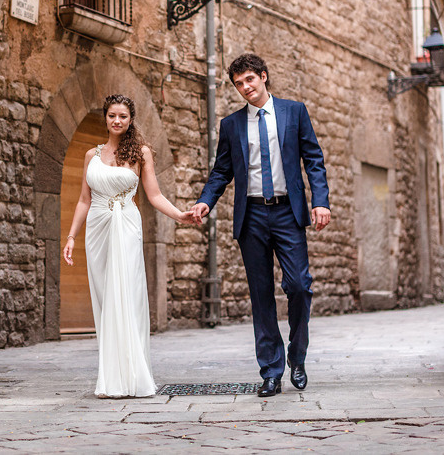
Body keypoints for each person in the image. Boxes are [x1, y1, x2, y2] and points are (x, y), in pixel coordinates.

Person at [191, 54, 331, 397]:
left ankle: (297, 356)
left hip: (288, 213)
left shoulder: (293, 112)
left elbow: (313, 158)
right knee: (261, 295)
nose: (245, 88)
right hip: (251, 216)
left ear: (264, 77)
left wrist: (321, 201)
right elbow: (221, 171)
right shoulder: (231, 125)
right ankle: (271, 370)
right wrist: (206, 199)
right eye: (238, 84)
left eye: (250, 80)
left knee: (299, 286)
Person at [64, 94, 198, 398]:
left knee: (124, 292)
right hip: (97, 228)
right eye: (112, 115)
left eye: (123, 116)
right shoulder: (91, 155)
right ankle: (111, 378)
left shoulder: (141, 153)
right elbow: (84, 199)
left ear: (130, 119)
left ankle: (134, 375)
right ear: (106, 117)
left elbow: (154, 195)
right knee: (104, 298)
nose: (117, 121)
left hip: (125, 224)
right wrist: (71, 235)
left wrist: (180, 215)